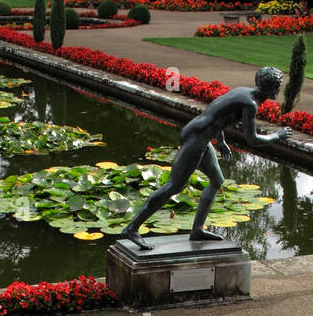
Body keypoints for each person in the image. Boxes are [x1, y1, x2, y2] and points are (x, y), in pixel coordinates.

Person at [118, 66, 291, 249]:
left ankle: (197, 230)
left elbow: (217, 115)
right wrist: (277, 136)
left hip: (200, 134)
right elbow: (253, 140)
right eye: (278, 86)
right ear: (273, 88)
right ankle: (132, 228)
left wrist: (221, 140)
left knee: (217, 180)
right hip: (197, 138)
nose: (279, 90)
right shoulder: (251, 104)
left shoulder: (243, 92)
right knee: (173, 186)